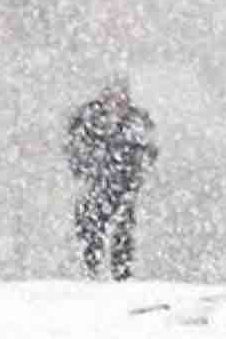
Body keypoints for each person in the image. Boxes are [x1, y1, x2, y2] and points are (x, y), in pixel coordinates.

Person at [65, 78, 158, 281]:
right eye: (111, 96)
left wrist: (137, 176)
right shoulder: (88, 120)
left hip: (123, 186)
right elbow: (74, 150)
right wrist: (87, 168)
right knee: (89, 227)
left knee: (122, 229)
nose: (116, 103)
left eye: (121, 97)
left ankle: (121, 274)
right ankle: (90, 272)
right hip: (95, 185)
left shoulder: (135, 123)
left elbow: (148, 151)